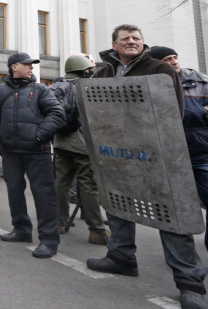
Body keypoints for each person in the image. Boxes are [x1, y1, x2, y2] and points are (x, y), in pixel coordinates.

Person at [86, 26, 208, 308]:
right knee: (116, 203)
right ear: (114, 44)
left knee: (171, 215)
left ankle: (190, 283)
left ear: (143, 43)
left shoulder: (160, 70)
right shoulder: (101, 72)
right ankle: (121, 257)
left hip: (156, 152)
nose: (131, 42)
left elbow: (172, 111)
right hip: (115, 150)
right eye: (125, 39)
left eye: (136, 39)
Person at [0, 52, 65, 259]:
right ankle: (21, 229)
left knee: (44, 195)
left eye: (32, 65)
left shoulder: (41, 90)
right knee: (14, 191)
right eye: (27, 64)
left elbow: (57, 114)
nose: (31, 68)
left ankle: (49, 240)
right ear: (14, 67)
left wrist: (39, 137)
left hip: (37, 152)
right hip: (10, 152)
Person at [150, 45, 208, 252]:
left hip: (201, 152)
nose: (174, 61)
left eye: (175, 57)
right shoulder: (151, 82)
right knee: (176, 208)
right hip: (170, 157)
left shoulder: (200, 80)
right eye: (167, 59)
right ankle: (183, 257)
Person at [52, 53, 110, 245]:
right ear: (84, 70)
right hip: (82, 144)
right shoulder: (86, 88)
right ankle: (97, 229)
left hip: (60, 142)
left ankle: (59, 222)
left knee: (61, 183)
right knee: (88, 185)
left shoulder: (54, 87)